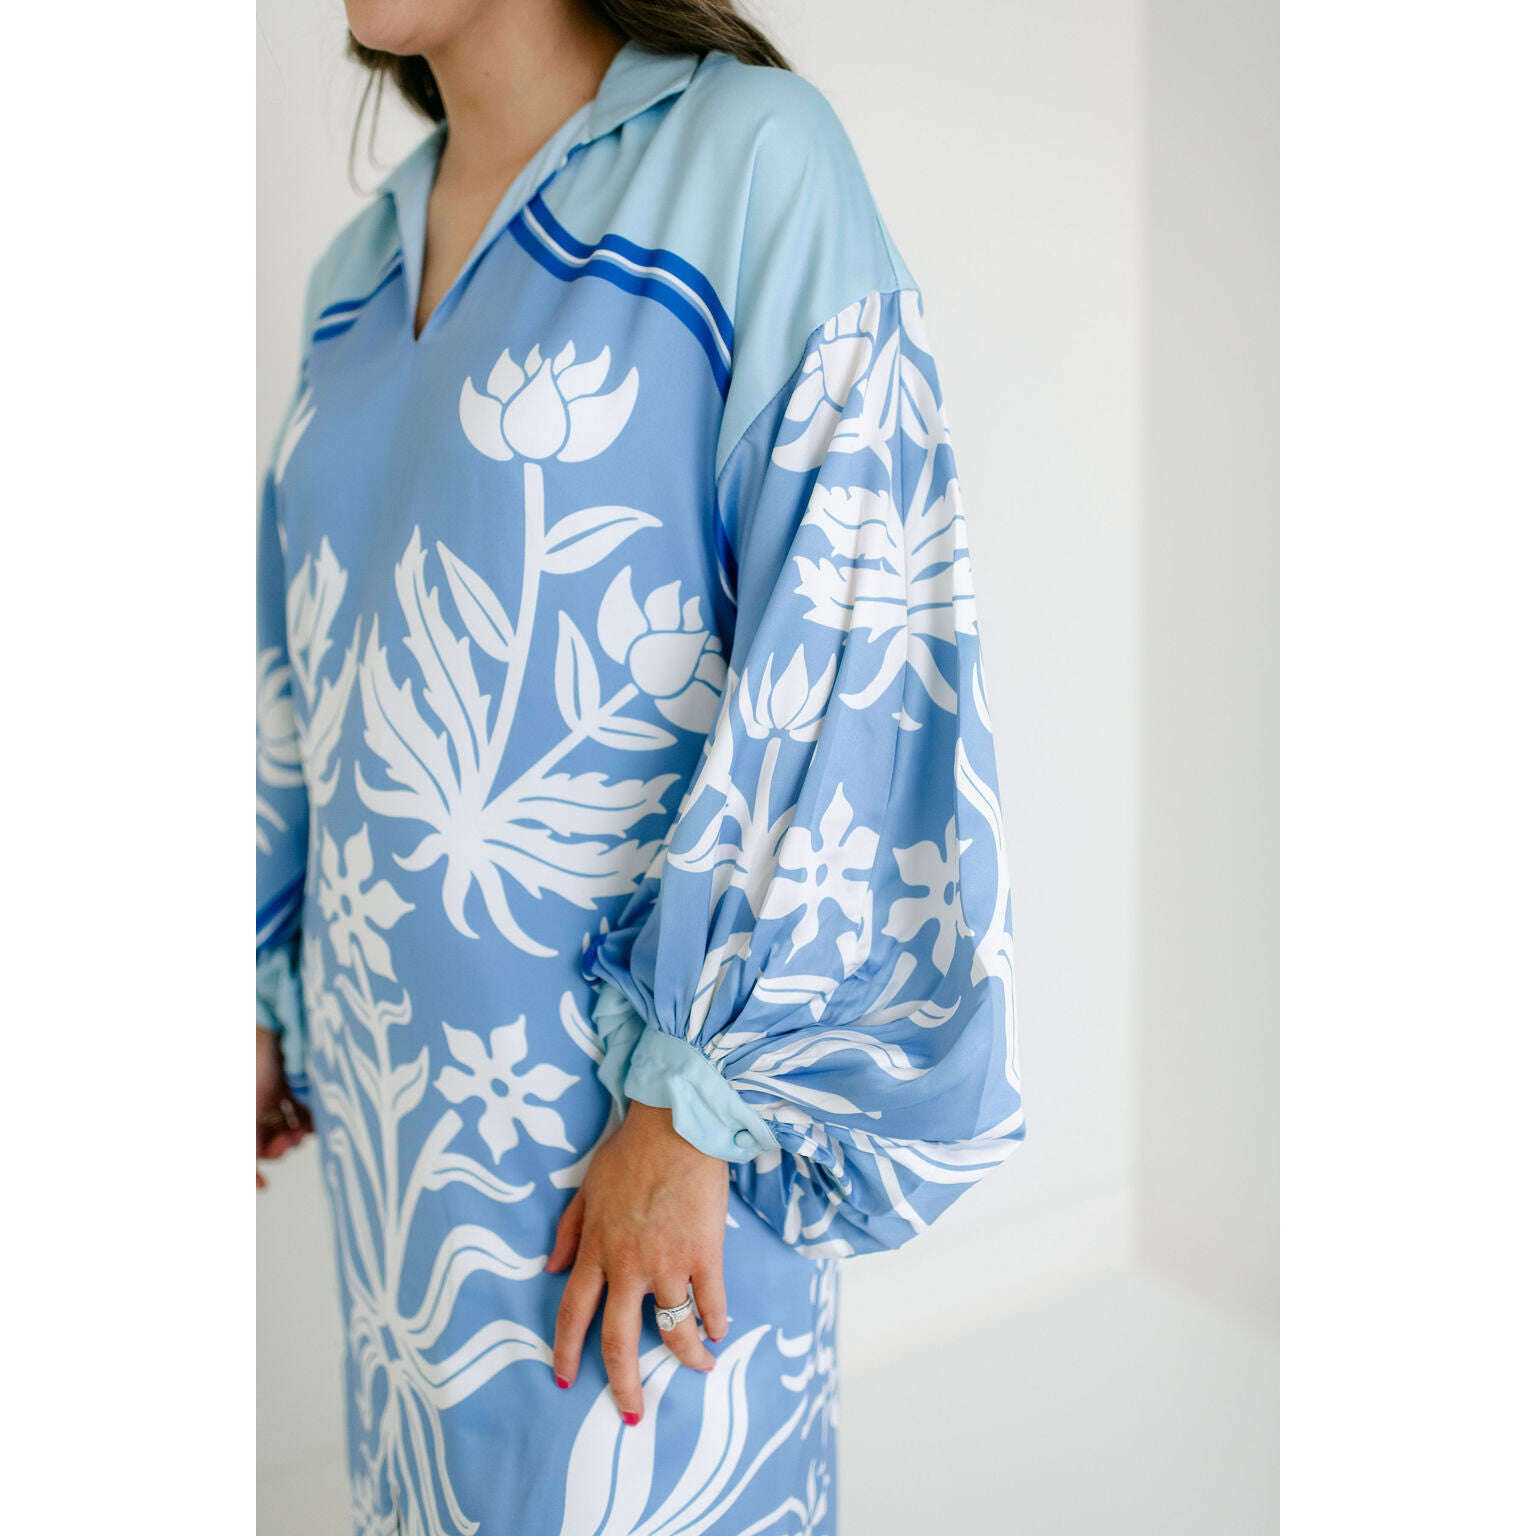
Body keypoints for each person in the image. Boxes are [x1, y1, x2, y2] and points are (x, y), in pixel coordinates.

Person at [256, 1, 1024, 1529]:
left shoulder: (749, 163)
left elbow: (853, 636)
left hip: (633, 1154)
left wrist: (688, 1112)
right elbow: (302, 653)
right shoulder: (353, 274)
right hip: (404, 1149)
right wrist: (259, 980)